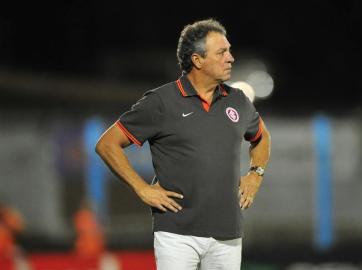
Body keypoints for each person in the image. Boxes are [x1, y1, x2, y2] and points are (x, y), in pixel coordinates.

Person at [95, 18, 271, 270]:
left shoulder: (239, 100)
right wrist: (141, 188)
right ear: (197, 61)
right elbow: (107, 144)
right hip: (176, 233)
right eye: (222, 52)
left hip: (228, 232)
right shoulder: (161, 102)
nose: (231, 58)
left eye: (229, 50)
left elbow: (262, 136)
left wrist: (256, 173)